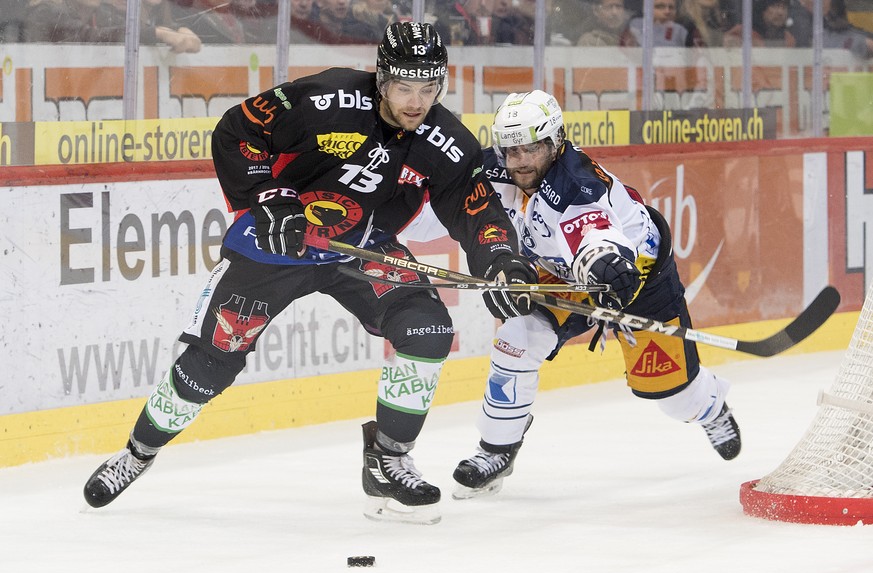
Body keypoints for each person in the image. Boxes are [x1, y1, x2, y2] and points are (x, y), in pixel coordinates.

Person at [81, 22, 536, 525]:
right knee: (210, 365)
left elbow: (474, 206)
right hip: (274, 247)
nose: (416, 101)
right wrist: (270, 196)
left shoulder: (443, 137)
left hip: (357, 247)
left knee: (427, 328)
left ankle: (387, 459)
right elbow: (238, 129)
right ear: (382, 79)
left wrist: (499, 259)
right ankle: (137, 453)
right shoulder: (328, 97)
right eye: (405, 87)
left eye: (428, 88)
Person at [451, 90, 741, 499]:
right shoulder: (496, 168)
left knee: (670, 396)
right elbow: (442, 204)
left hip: (635, 277)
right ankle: (496, 449)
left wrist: (601, 260)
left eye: (530, 148)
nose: (518, 161)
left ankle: (709, 405)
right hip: (561, 271)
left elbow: (594, 232)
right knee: (517, 337)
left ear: (556, 142)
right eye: (510, 149)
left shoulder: (577, 185)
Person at [723, 0, 795, 47]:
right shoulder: (741, 32)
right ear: (762, 9)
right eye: (775, 6)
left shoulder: (788, 38)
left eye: (784, 7)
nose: (781, 12)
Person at [621, 0, 689, 47]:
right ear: (647, 9)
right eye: (660, 7)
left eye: (671, 7)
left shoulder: (680, 31)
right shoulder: (636, 25)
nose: (667, 11)